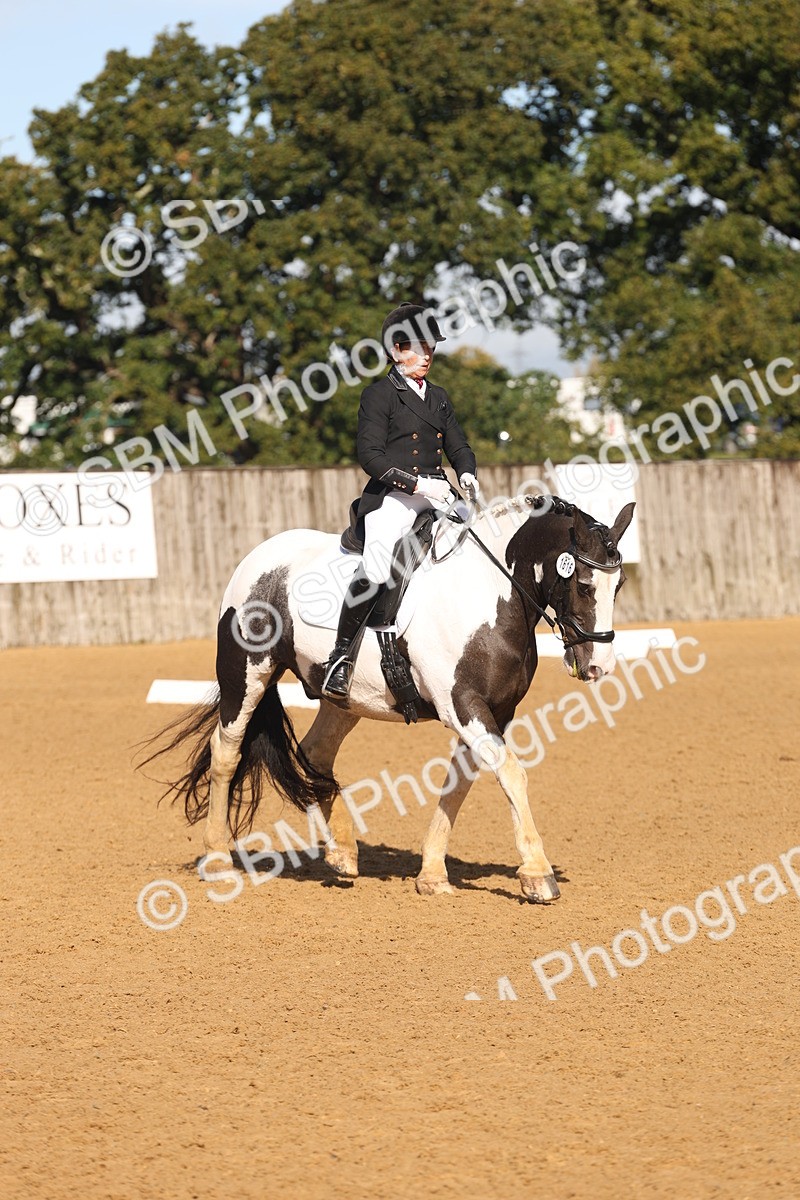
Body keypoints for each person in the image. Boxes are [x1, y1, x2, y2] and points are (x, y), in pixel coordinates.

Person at [322, 302, 480, 698]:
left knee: (477, 543)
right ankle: (340, 658)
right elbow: (370, 456)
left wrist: (466, 473)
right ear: (396, 351)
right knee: (376, 566)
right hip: (394, 495)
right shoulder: (379, 395)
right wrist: (418, 486)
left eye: (431, 348)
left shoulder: (439, 397)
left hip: (440, 493)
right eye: (418, 347)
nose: (427, 355)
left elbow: (458, 444)